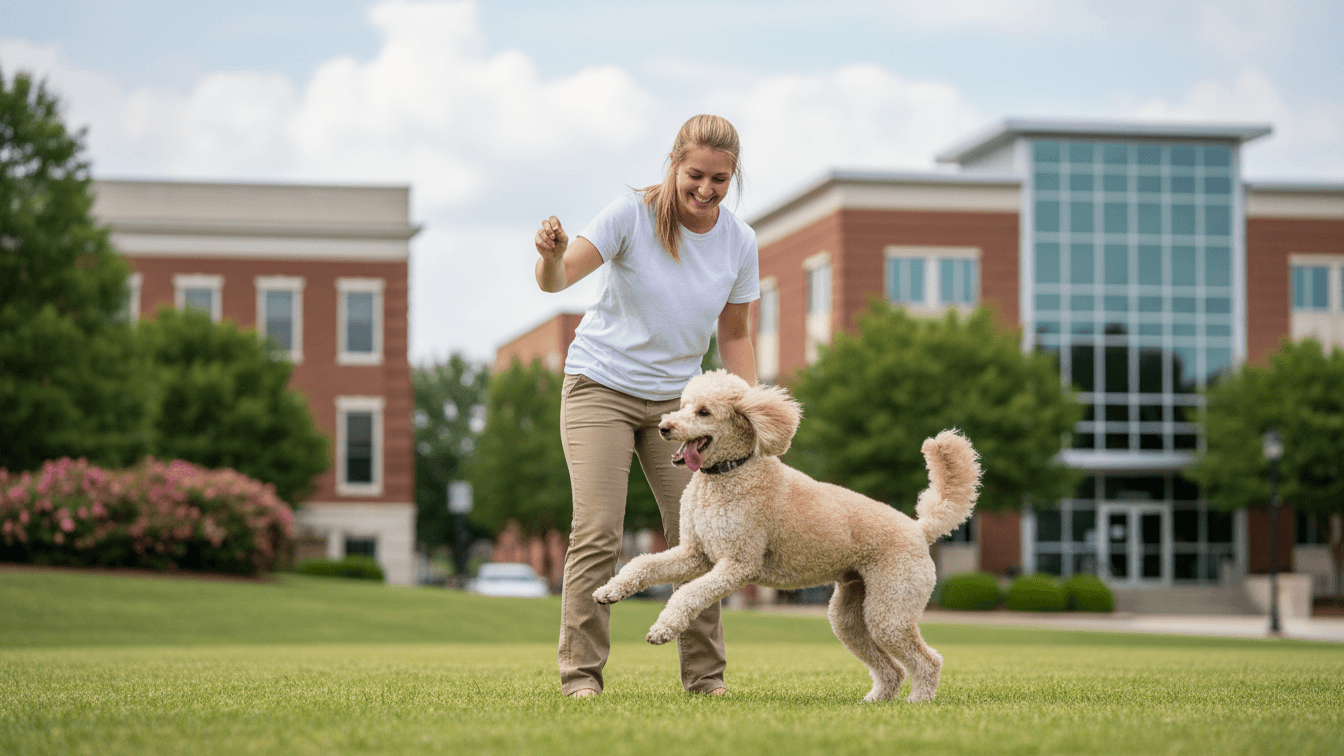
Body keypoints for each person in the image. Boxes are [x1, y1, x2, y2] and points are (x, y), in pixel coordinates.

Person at [533, 114, 759, 699]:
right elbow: (556, 281)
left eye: (720, 179)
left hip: (680, 403)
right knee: (599, 528)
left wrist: (749, 411)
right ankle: (581, 678)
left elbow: (735, 333)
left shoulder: (740, 240)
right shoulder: (630, 213)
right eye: (696, 176)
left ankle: (706, 679)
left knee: (701, 537)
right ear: (674, 164)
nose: (706, 191)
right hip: (600, 387)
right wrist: (550, 255)